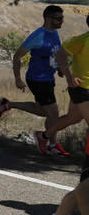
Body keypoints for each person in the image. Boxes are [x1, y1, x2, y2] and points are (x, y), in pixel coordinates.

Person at [0, 5, 68, 155]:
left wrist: (60, 69)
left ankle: (8, 104)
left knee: (43, 110)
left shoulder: (54, 33)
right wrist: (17, 78)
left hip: (48, 77)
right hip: (38, 78)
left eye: (62, 18)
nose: (62, 21)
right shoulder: (38, 35)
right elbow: (17, 56)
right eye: (59, 18)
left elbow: (55, 53)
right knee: (53, 112)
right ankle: (51, 143)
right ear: (48, 19)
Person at [38, 15, 89, 155]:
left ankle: (43, 136)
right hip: (81, 88)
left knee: (73, 118)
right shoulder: (82, 40)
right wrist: (69, 76)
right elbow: (59, 55)